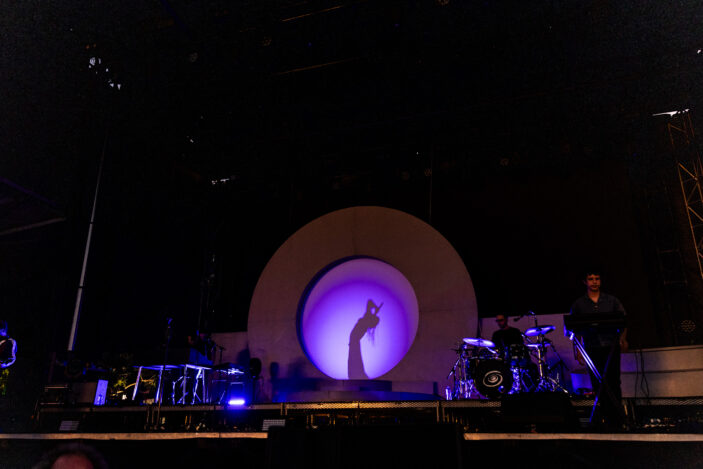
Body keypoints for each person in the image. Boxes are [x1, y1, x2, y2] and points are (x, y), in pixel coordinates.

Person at [570, 270, 628, 429]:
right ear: (585, 282)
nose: (594, 281)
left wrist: (623, 339)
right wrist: (578, 351)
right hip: (592, 347)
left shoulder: (612, 300)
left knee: (614, 380)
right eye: (591, 279)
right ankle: (604, 417)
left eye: (597, 278)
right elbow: (574, 329)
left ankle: (617, 418)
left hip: (611, 346)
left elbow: (623, 321)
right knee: (597, 383)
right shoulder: (579, 304)